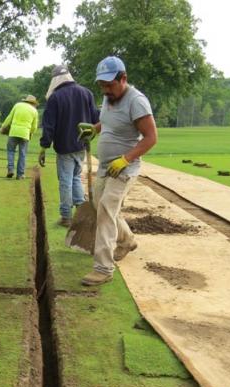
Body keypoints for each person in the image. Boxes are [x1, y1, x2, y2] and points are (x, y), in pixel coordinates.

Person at [79, 56, 157, 286]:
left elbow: (152, 138)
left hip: (124, 169)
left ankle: (103, 268)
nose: (105, 90)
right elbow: (109, 122)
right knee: (98, 205)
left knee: (104, 211)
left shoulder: (137, 102)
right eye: (101, 85)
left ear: (123, 78)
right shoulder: (109, 98)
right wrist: (94, 129)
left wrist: (125, 159)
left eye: (109, 85)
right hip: (105, 167)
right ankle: (127, 240)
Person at [38, 65, 99, 227]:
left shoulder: (55, 97)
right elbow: (95, 118)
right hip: (82, 144)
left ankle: (66, 216)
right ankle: (80, 209)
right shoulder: (87, 93)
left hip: (64, 146)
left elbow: (49, 126)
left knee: (65, 180)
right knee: (76, 177)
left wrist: (44, 147)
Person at [1, 95, 39, 180]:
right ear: (33, 103)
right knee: (22, 154)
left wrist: (3, 127)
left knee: (11, 151)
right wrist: (31, 134)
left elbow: (9, 118)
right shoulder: (34, 111)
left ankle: (10, 169)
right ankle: (20, 174)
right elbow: (34, 127)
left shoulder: (17, 105)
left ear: (26, 101)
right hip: (25, 134)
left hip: (13, 132)